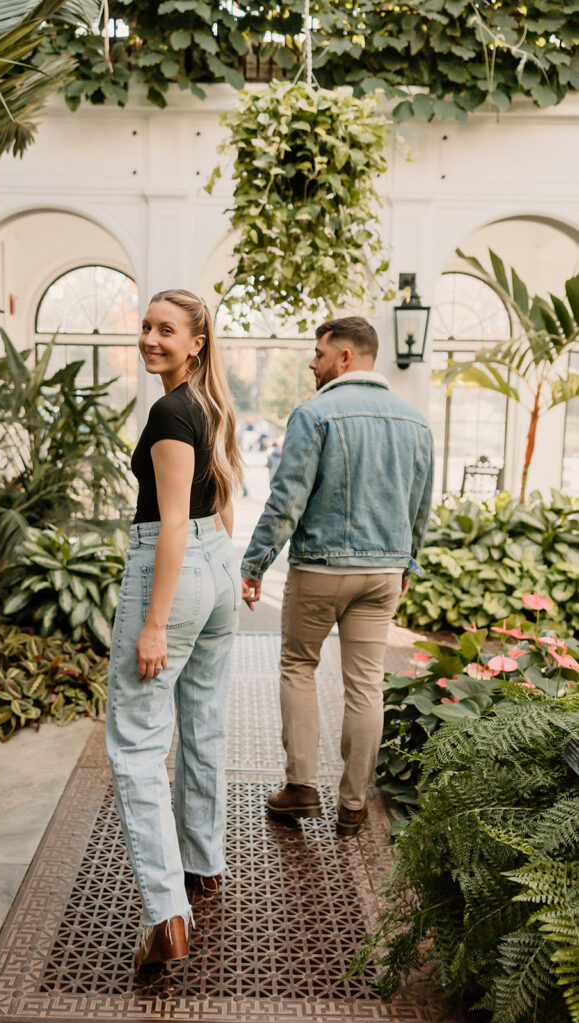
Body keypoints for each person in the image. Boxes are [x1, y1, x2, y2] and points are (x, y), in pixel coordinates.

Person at [241, 316, 433, 837]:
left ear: (345, 356)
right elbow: (421, 506)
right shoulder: (416, 422)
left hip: (322, 570)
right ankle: (353, 805)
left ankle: (301, 788)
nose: (312, 362)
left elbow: (287, 499)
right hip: (383, 573)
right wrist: (405, 563)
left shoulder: (315, 413)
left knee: (299, 667)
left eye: (319, 353)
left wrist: (255, 563)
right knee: (365, 685)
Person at [106, 289, 243, 970]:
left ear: (196, 343)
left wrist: (155, 624)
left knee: (135, 745)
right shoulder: (210, 402)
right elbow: (212, 505)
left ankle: (166, 915)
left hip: (178, 572)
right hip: (215, 566)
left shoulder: (169, 411)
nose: (151, 339)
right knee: (203, 725)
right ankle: (203, 864)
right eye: (146, 327)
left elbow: (166, 528)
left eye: (168, 330)